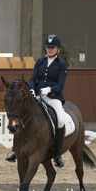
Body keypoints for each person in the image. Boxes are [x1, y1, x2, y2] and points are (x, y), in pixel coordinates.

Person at [6, 35, 68, 167]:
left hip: (53, 97)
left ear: (58, 49)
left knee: (61, 120)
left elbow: (60, 85)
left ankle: (57, 154)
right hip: (38, 95)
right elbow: (32, 79)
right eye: (47, 47)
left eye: (52, 47)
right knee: (22, 115)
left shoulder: (62, 65)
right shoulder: (40, 62)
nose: (49, 49)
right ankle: (15, 150)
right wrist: (32, 89)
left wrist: (50, 89)